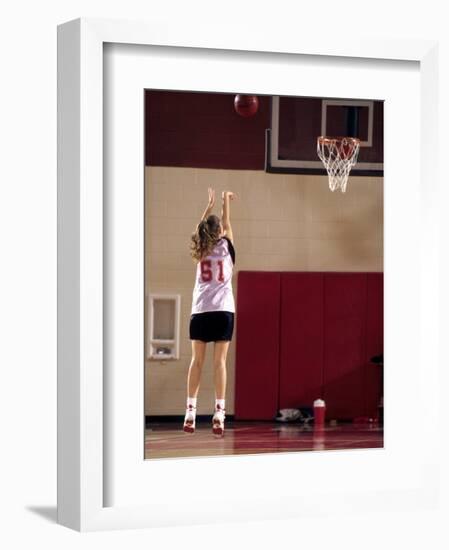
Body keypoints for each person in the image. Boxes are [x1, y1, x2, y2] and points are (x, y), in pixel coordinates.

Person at [184, 187, 236, 437]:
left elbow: (200, 228)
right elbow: (226, 222)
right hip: (223, 310)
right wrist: (226, 200)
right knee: (220, 363)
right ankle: (219, 412)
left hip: (201, 311)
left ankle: (190, 412)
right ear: (221, 232)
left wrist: (209, 205)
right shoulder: (226, 246)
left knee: (197, 362)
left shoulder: (200, 248)